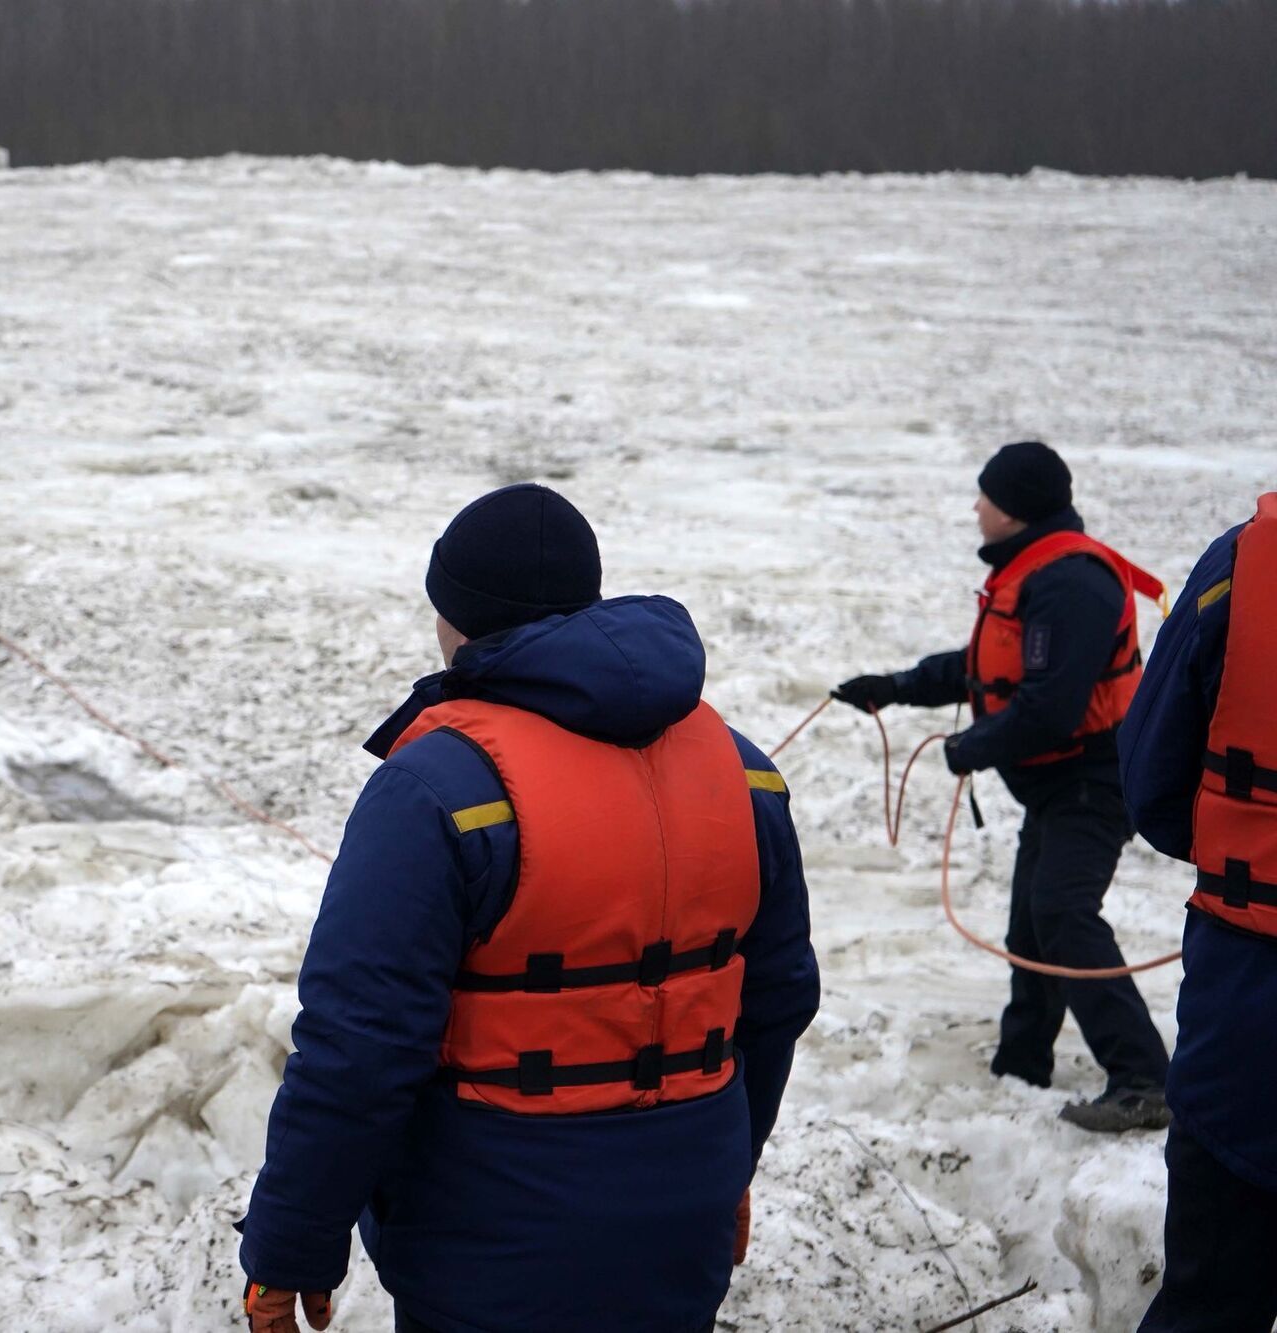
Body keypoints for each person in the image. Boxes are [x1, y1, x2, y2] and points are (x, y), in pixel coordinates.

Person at [237, 483, 820, 1333]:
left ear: (456, 616)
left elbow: (359, 1045)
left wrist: (291, 1245)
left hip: (488, 1246)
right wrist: (731, 1165)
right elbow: (777, 999)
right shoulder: (745, 772)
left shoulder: (438, 791)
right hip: (681, 1218)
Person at [832, 440, 1172, 1132]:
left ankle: (1144, 1077)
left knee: (1063, 913)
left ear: (1014, 508)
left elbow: (1052, 706)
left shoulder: (1070, 583)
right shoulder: (1035, 572)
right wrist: (893, 688)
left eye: (985, 495)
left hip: (1093, 778)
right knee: (1032, 923)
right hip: (1056, 784)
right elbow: (984, 666)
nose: (976, 506)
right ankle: (1021, 1069)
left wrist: (971, 748)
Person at [1122, 492, 1277, 1332]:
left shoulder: (1245, 565)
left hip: (1254, 1007)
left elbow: (1152, 778)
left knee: (1213, 1301)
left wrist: (1245, 852)